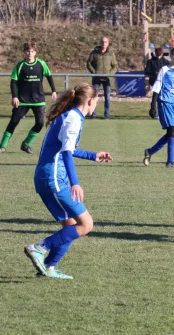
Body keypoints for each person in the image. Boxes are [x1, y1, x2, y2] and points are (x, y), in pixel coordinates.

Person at [24, 83, 113, 279]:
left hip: (47, 177)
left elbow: (69, 148)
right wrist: (75, 182)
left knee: (71, 226)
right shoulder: (73, 119)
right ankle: (39, 248)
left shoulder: (71, 116)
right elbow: (66, 153)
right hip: (54, 178)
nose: (96, 105)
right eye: (97, 101)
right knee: (86, 224)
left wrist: (93, 155)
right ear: (90, 101)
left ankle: (48, 267)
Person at [0, 42, 57, 154]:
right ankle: (2, 145)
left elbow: (49, 77)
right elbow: (13, 82)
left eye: (32, 51)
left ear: (35, 53)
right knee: (14, 122)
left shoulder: (41, 64)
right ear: (24, 53)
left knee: (40, 123)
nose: (29, 53)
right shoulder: (19, 65)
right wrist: (14, 97)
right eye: (27, 51)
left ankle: (26, 144)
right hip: (22, 100)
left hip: (38, 100)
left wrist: (53, 90)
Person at [144, 47, 174, 168]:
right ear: (171, 56)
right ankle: (169, 162)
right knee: (173, 130)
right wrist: (153, 106)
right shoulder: (164, 70)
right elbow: (157, 87)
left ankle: (150, 151)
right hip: (164, 102)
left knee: (171, 132)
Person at [86, 36, 118, 119]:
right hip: (97, 78)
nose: (104, 43)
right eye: (103, 42)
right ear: (100, 42)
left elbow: (115, 65)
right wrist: (94, 72)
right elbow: (88, 63)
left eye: (106, 42)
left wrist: (110, 74)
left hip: (107, 79)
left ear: (108, 43)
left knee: (107, 96)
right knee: (93, 96)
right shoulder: (94, 53)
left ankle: (106, 115)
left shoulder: (111, 53)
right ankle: (93, 113)